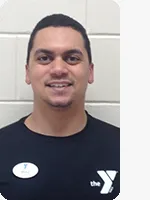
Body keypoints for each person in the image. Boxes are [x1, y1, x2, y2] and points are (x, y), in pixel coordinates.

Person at [0, 14, 120, 200]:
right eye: (44, 58)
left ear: (90, 72)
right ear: (27, 73)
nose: (58, 69)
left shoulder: (128, 150)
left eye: (72, 58)